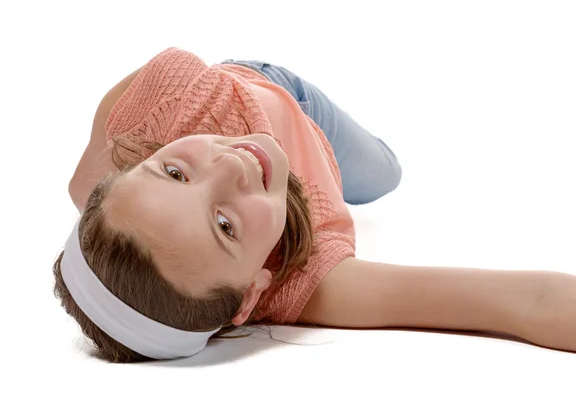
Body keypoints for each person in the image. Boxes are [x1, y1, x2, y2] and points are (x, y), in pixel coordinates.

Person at [54, 47, 576, 363]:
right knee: (384, 174)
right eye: (224, 225)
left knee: (387, 169)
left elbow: (83, 187)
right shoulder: (309, 282)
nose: (230, 166)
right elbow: (522, 302)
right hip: (311, 149)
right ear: (249, 296)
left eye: (174, 172)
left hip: (273, 86)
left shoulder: (161, 102)